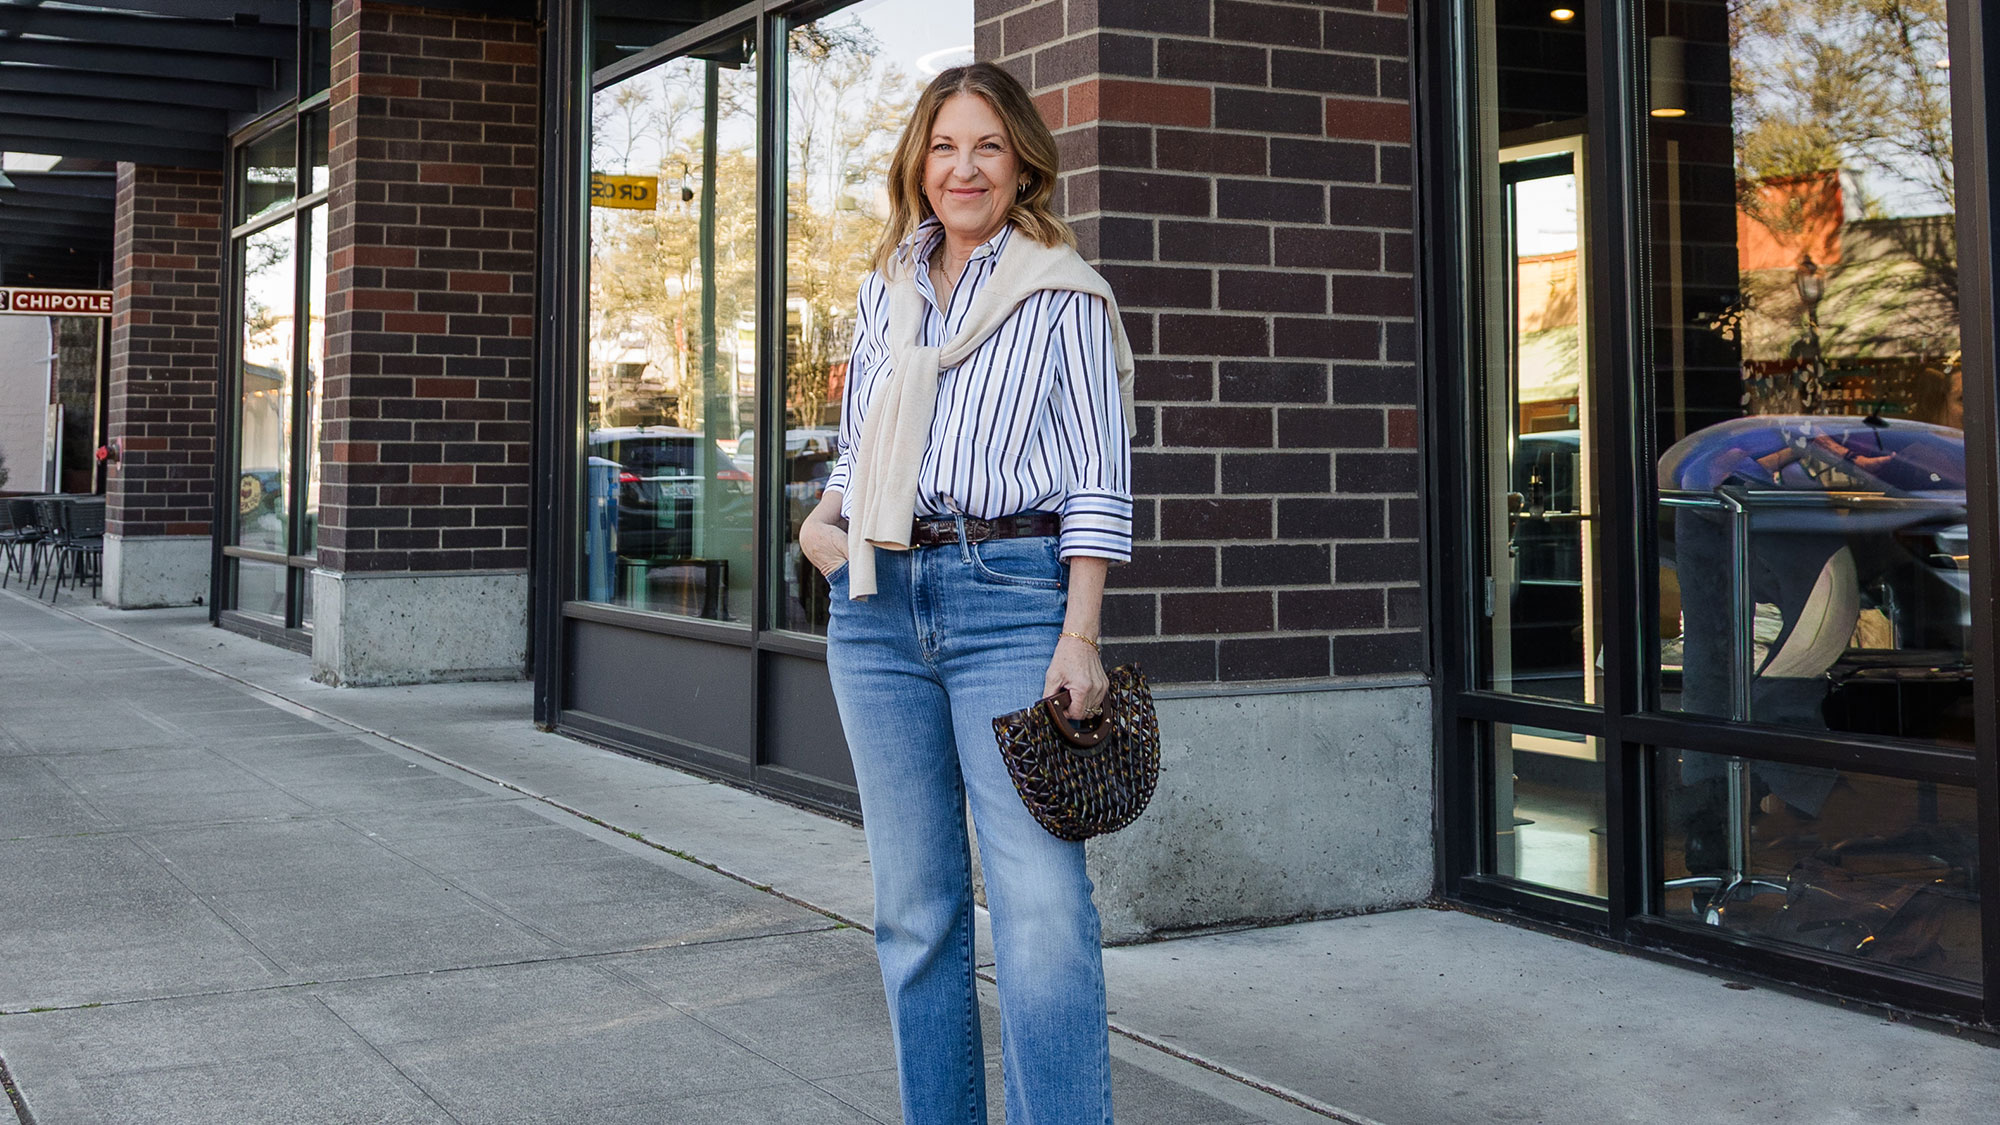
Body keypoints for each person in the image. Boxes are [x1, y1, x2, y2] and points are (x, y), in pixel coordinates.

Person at [796, 61, 1134, 1125]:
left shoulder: (1060, 290)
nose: (962, 167)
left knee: (1038, 912)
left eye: (985, 145)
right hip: (877, 603)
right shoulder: (884, 286)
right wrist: (822, 523)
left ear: (1020, 159)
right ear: (918, 162)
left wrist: (1080, 634)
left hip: (1009, 598)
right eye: (943, 146)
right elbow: (861, 445)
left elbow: (1096, 475)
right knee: (914, 914)